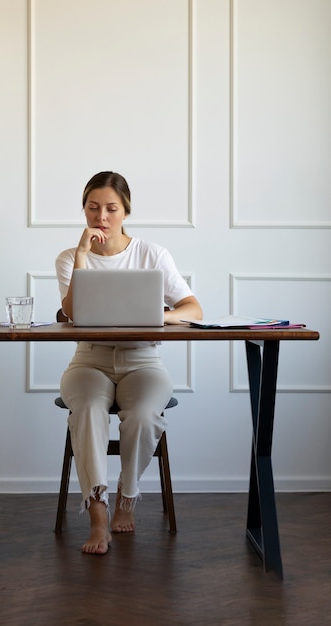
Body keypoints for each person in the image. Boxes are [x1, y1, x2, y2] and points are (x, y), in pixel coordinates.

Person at [55, 171, 203, 555]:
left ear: (126, 211)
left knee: (144, 415)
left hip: (143, 359)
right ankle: (98, 515)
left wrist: (159, 315)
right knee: (86, 409)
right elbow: (71, 313)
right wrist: (83, 255)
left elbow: (194, 309)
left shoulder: (152, 253)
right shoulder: (71, 257)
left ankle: (127, 494)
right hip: (89, 360)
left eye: (111, 208)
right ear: (84, 210)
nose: (101, 217)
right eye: (92, 208)